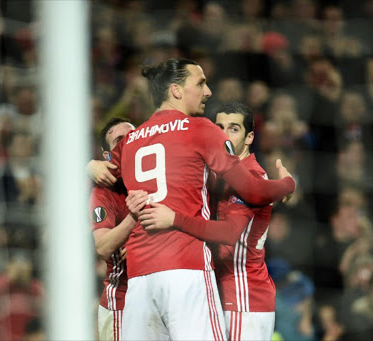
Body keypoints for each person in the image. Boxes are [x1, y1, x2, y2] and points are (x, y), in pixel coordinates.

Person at [94, 58, 295, 340]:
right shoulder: (200, 129)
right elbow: (252, 191)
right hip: (185, 268)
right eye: (200, 83)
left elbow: (103, 171)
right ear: (176, 90)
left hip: (139, 277)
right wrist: (287, 183)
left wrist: (88, 166)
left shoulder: (132, 139)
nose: (208, 91)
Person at [126, 102, 280, 340]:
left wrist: (174, 222)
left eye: (234, 129)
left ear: (250, 137)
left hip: (243, 296)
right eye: (219, 127)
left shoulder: (249, 176)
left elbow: (229, 233)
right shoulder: (218, 173)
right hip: (221, 292)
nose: (224, 135)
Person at [88, 117, 137, 341]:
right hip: (122, 303)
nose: (128, 143)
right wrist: (135, 216)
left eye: (132, 136)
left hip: (160, 299)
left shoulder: (159, 177)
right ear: (107, 155)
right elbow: (103, 247)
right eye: (119, 140)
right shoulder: (103, 193)